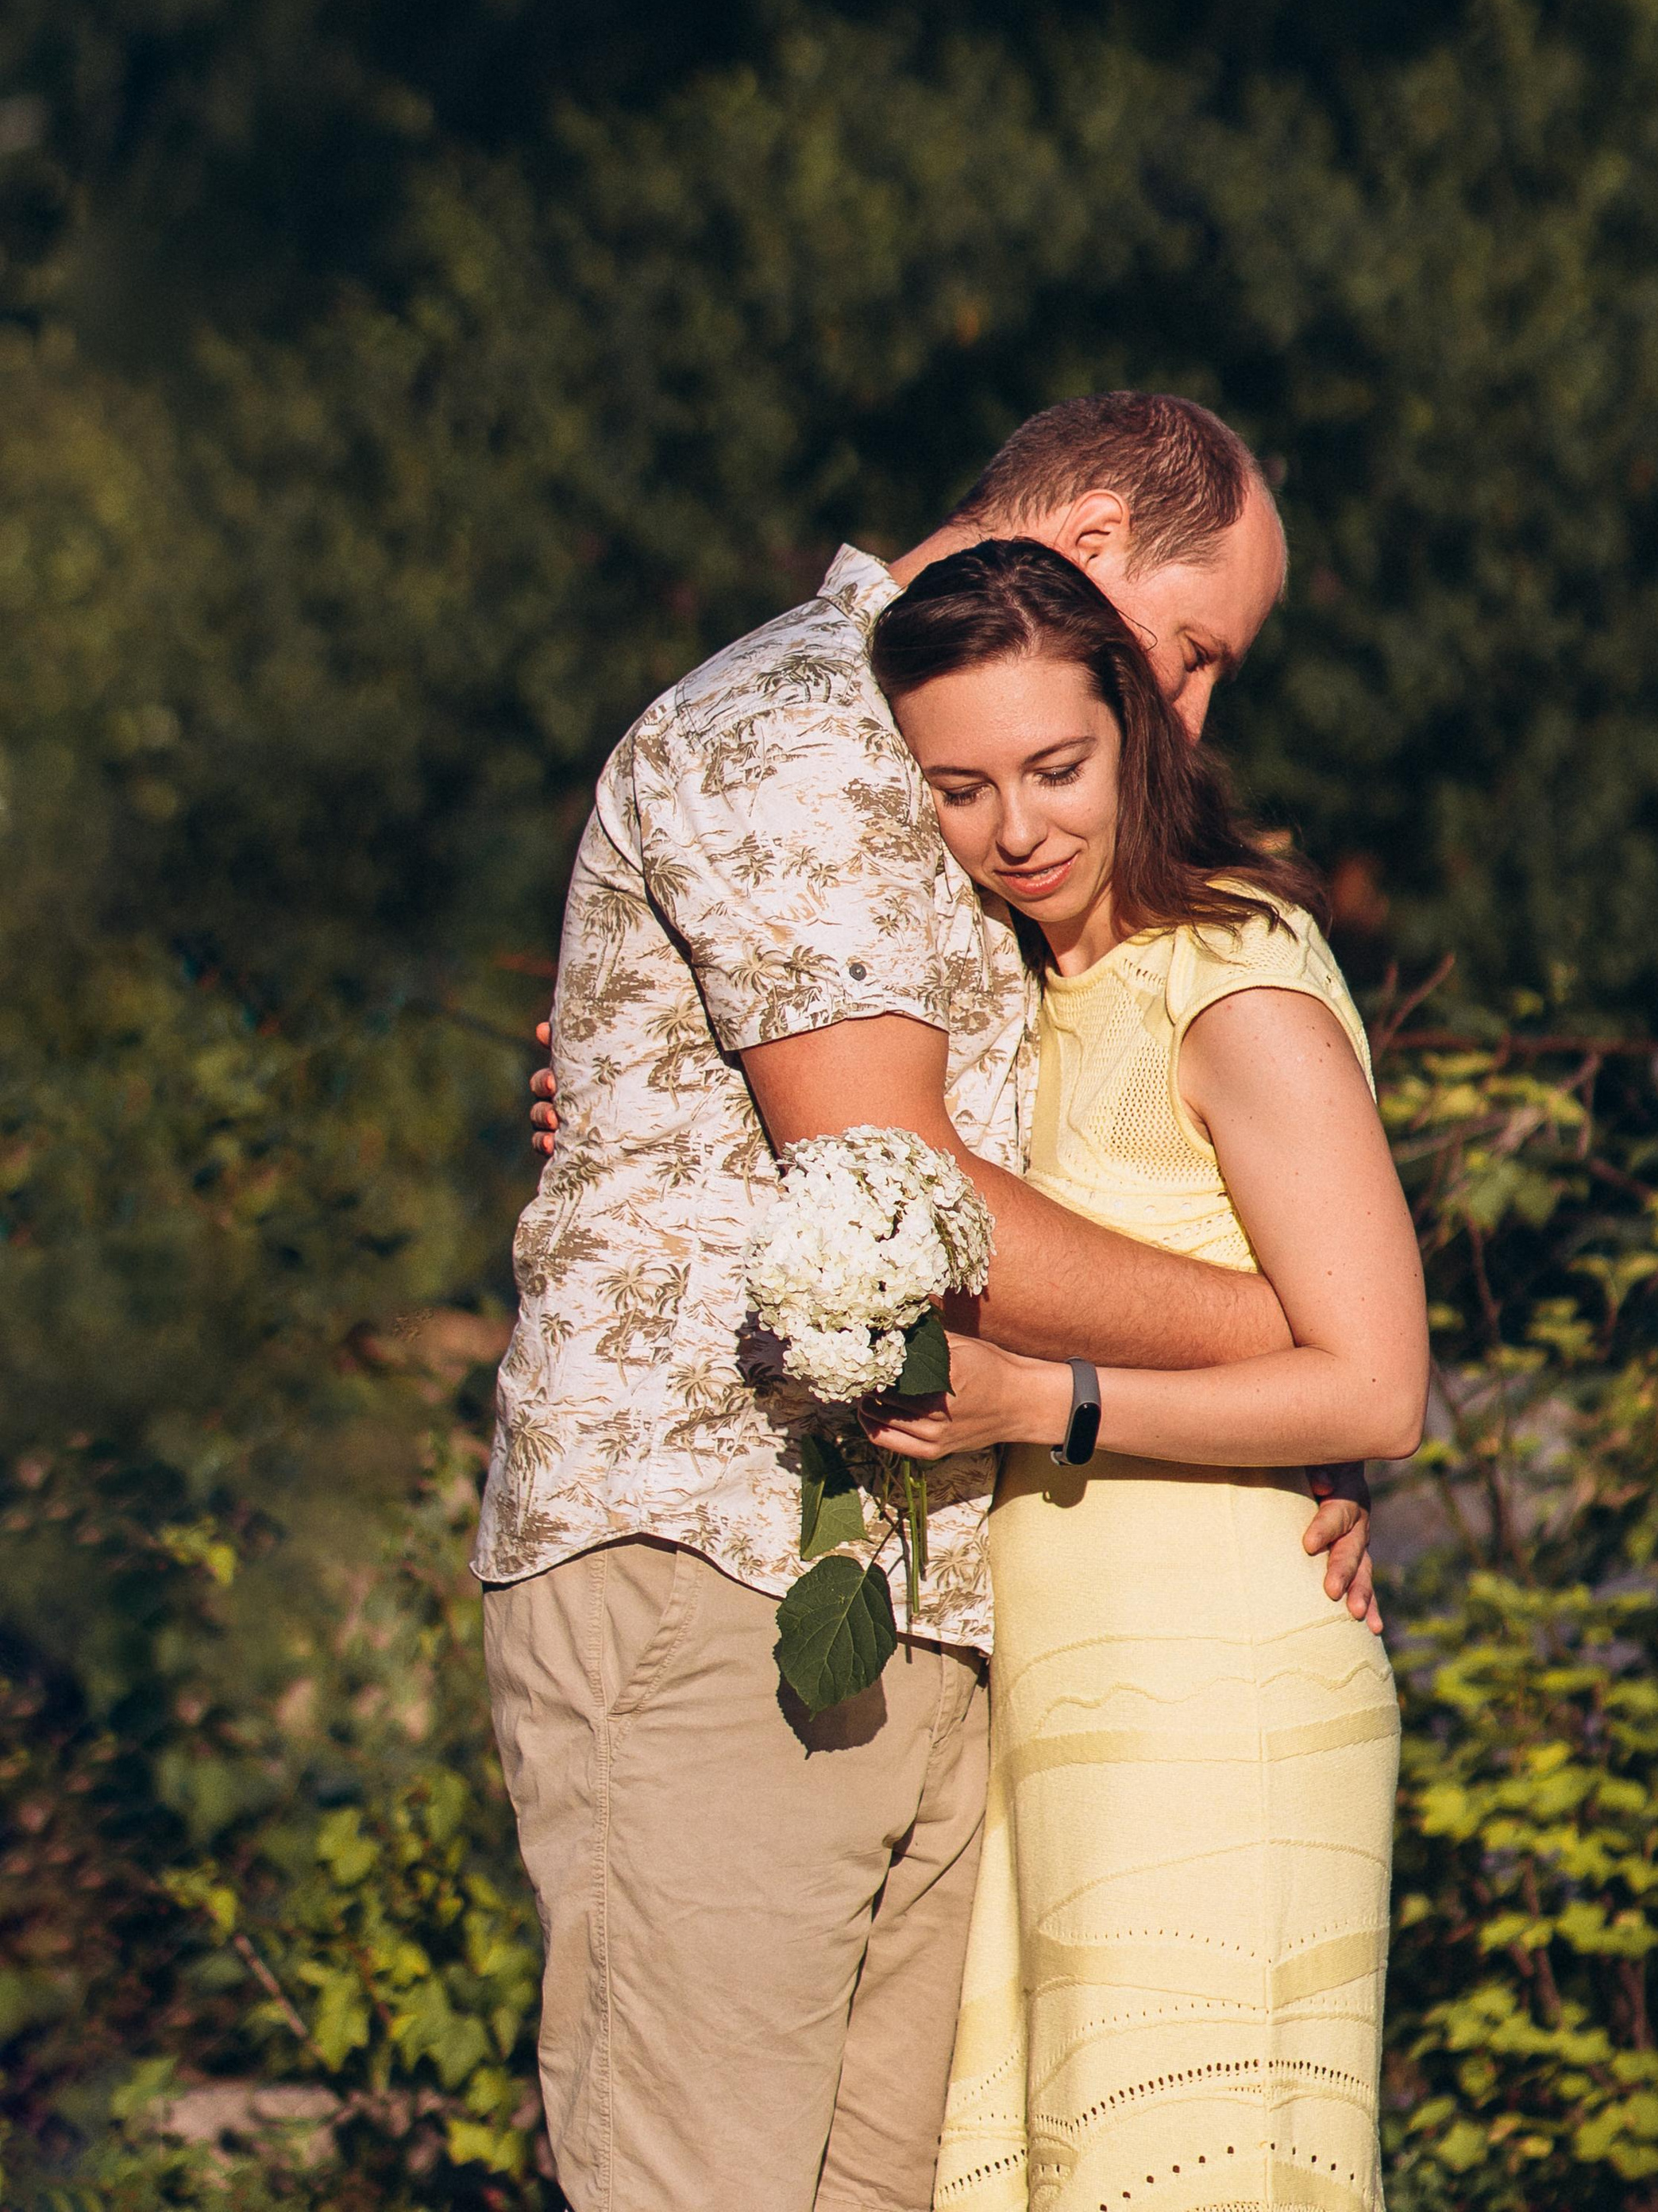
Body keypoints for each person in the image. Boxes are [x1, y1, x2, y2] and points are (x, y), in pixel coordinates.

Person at [484, 393, 1382, 2212]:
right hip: (714, 1554)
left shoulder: (964, 774)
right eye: (1195, 651)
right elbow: (902, 1176)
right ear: (1099, 550)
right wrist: (1297, 1353)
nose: (1194, 713)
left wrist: (1291, 1419)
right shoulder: (796, 732)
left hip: (925, 1587)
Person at [863, 538, 1427, 2212]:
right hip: (1051, 1685)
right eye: (956, 789)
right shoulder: (1011, 985)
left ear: (1132, 735)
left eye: (1055, 769)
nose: (1016, 828)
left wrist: (1054, 1402)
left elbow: (1375, 1387)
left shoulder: (1230, 975)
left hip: (1217, 1688)